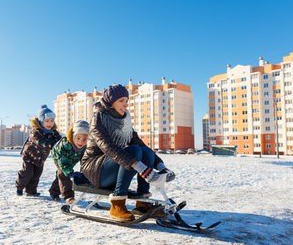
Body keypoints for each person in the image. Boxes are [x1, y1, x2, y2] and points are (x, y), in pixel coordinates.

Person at [81, 84, 175, 222]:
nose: (125, 105)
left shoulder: (124, 121)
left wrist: (161, 166)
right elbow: (109, 148)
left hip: (113, 164)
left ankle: (143, 203)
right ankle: (117, 205)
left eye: (126, 101)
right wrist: (141, 168)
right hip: (95, 170)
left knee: (144, 151)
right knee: (134, 150)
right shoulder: (98, 119)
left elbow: (140, 144)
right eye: (121, 101)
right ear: (110, 102)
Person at [16, 105, 61, 197]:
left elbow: (59, 140)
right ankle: (19, 186)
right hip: (29, 156)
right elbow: (41, 142)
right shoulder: (36, 131)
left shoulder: (53, 132)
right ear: (41, 121)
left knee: (36, 175)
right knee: (27, 173)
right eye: (47, 121)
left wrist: (63, 143)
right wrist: (52, 144)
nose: (50, 123)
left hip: (40, 158)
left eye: (52, 121)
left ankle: (30, 191)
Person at [50, 120, 89, 203]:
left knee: (61, 176)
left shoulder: (85, 148)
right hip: (58, 157)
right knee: (63, 173)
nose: (81, 141)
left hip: (71, 159)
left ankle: (53, 191)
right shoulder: (65, 144)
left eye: (84, 139)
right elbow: (62, 161)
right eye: (78, 138)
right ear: (73, 136)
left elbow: (84, 160)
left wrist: (84, 172)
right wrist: (69, 172)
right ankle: (68, 196)